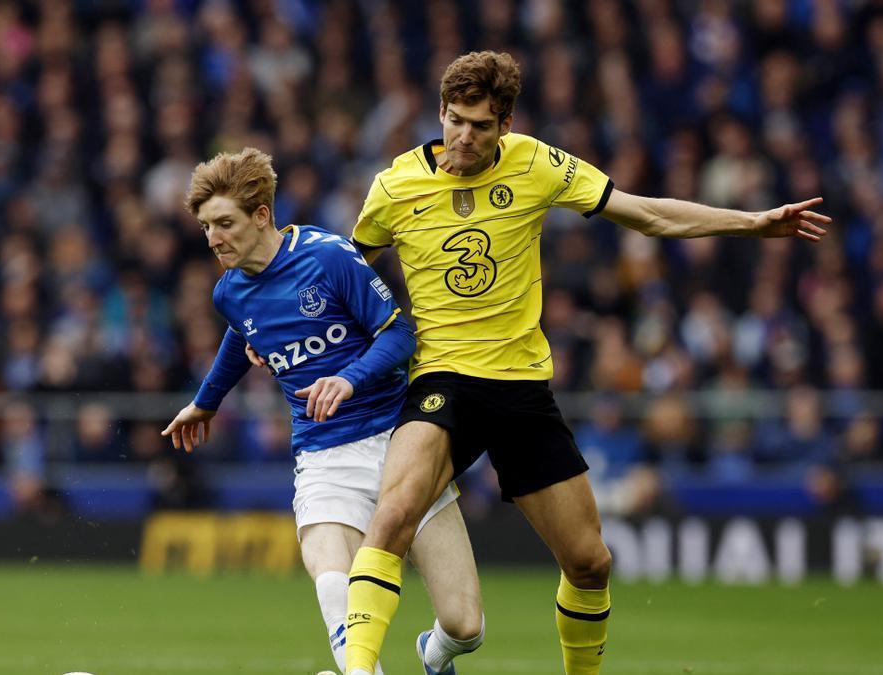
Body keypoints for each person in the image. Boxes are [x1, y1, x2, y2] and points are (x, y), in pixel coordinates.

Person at [340, 51, 831, 675]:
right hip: (442, 381)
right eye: (455, 120)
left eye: (481, 126)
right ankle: (358, 669)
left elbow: (646, 213)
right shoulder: (393, 187)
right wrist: (272, 331)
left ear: (506, 125)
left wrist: (751, 223)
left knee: (591, 562)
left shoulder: (537, 164)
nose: (464, 137)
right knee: (395, 513)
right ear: (440, 112)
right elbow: (344, 279)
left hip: (520, 388)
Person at [161, 148, 484, 675]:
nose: (213, 238)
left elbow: (400, 332)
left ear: (262, 214)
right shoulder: (229, 291)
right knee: (334, 583)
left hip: (402, 444)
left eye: (224, 223)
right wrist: (205, 402)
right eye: (205, 226)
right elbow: (241, 331)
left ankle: (434, 652)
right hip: (324, 454)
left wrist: (349, 378)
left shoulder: (328, 256)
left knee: (465, 627)